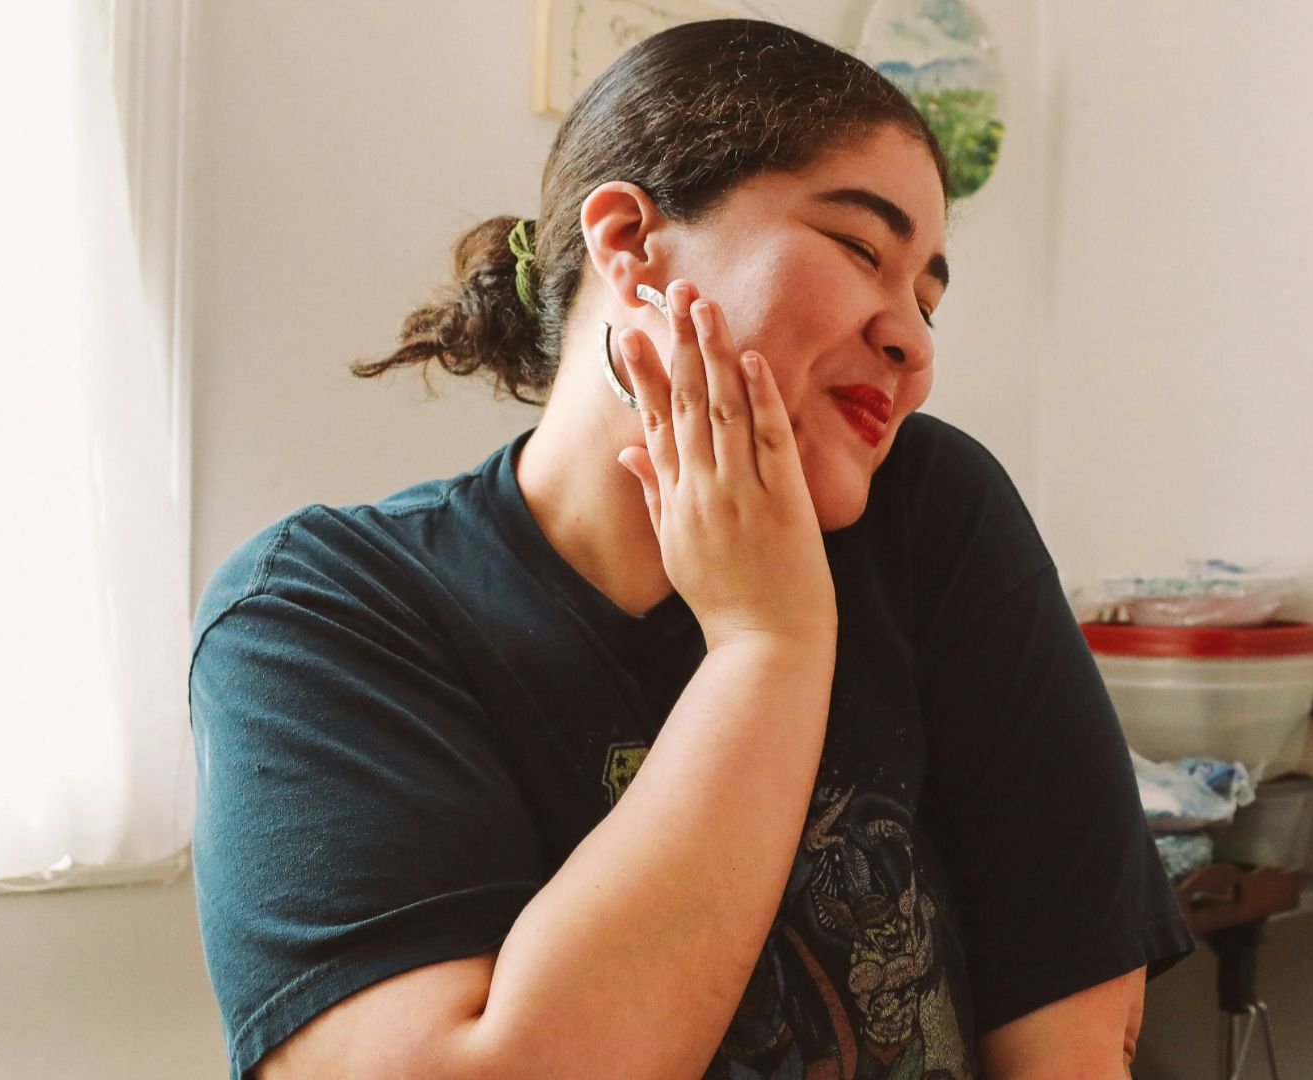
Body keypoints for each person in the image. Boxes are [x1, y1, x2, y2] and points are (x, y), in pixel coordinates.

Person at [189, 18, 1193, 1080]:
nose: (912, 342)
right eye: (861, 248)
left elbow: (1072, 1045)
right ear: (627, 242)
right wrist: (769, 643)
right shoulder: (319, 614)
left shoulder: (933, 515)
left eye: (928, 300)